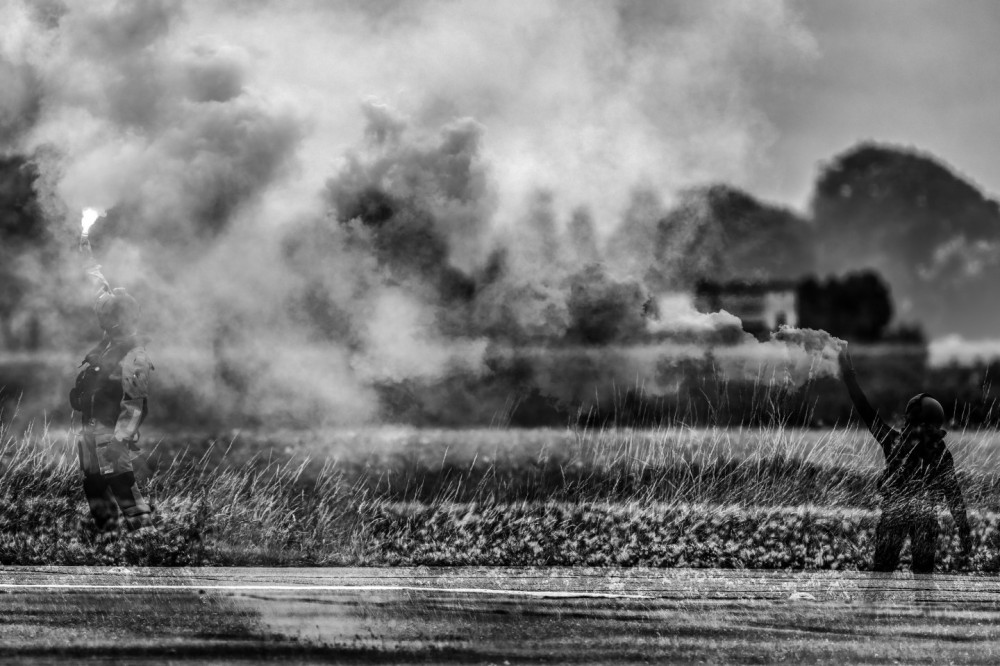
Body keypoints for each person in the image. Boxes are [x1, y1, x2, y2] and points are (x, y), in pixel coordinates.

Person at [838, 346, 971, 573]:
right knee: (923, 580)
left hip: (894, 515)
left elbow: (864, 409)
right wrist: (964, 530)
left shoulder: (894, 442)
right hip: (924, 518)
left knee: (881, 576)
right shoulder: (940, 452)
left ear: (909, 419)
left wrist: (848, 374)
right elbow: (953, 494)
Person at [70, 236, 156, 534]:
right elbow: (100, 293)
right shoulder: (111, 341)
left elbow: (134, 406)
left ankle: (145, 536)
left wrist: (120, 441)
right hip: (91, 430)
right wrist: (88, 257)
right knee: (93, 483)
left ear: (116, 320)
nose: (100, 314)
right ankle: (108, 535)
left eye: (107, 314)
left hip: (111, 435)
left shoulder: (134, 356)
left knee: (121, 483)